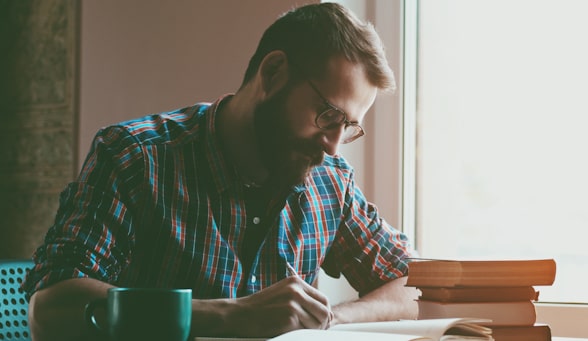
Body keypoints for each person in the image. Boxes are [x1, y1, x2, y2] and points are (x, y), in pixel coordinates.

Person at [21, 3, 418, 340]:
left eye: (347, 127)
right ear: (274, 73)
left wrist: (328, 321)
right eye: (328, 115)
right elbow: (51, 307)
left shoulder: (331, 181)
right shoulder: (136, 158)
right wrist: (232, 316)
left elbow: (412, 286)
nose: (332, 144)